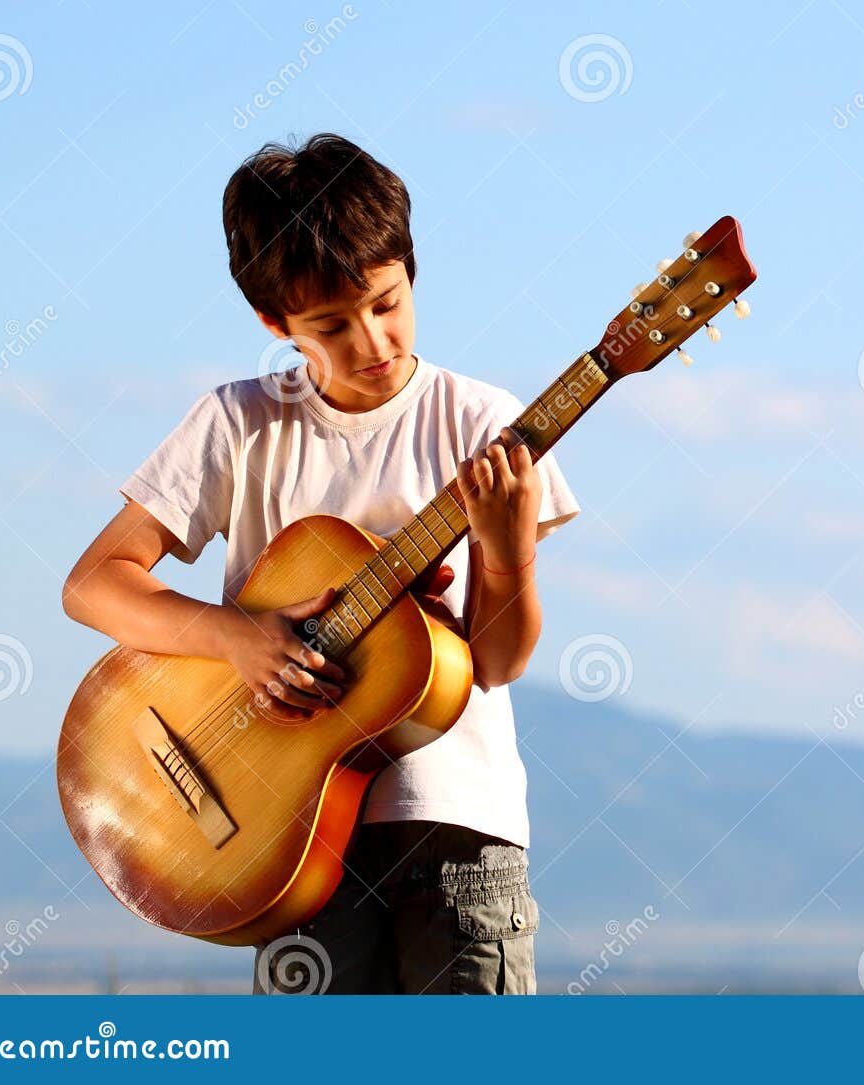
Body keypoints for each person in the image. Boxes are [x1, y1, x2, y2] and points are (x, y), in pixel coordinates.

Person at [60, 133, 578, 994]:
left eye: (387, 302)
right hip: (287, 840)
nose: (371, 338)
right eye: (331, 325)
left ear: (411, 269)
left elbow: (496, 659)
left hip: (458, 839)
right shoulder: (240, 424)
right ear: (276, 324)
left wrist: (506, 546)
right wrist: (240, 639)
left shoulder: (483, 422)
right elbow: (93, 583)